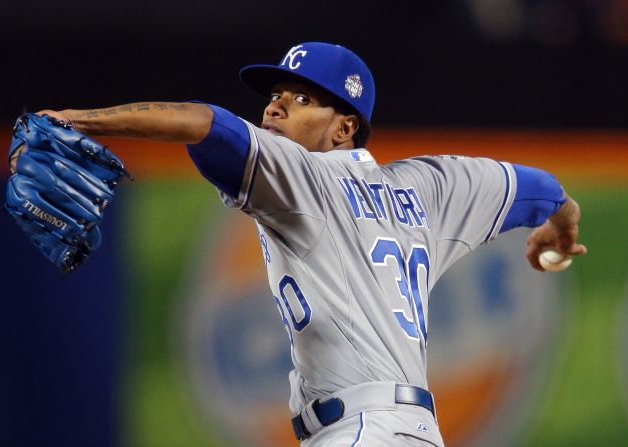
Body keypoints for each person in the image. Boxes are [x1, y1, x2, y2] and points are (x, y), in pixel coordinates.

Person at [38, 42, 587, 446]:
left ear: (344, 129)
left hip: (365, 431)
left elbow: (203, 122)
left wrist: (78, 120)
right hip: (407, 431)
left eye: (300, 99)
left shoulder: (304, 176)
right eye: (274, 97)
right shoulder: (434, 187)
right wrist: (559, 227)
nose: (274, 108)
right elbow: (540, 189)